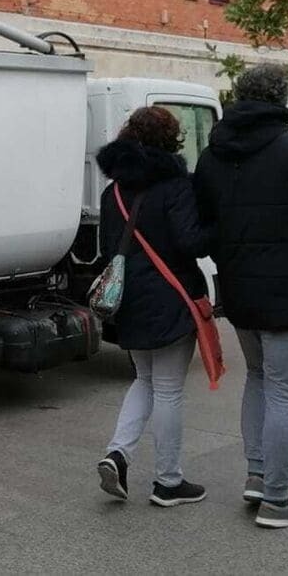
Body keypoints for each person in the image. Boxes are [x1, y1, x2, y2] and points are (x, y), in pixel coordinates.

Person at [193, 64, 288, 529]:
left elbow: (205, 224)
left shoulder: (212, 154)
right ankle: (278, 500)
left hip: (241, 287)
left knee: (259, 379)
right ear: (282, 97)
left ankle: (260, 475)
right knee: (285, 392)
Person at [94, 106, 212, 507]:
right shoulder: (176, 187)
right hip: (171, 298)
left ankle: (117, 453)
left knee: (143, 381)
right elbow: (191, 243)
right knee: (168, 390)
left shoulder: (111, 193)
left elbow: (109, 249)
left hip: (129, 299)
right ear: (170, 141)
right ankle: (168, 481)